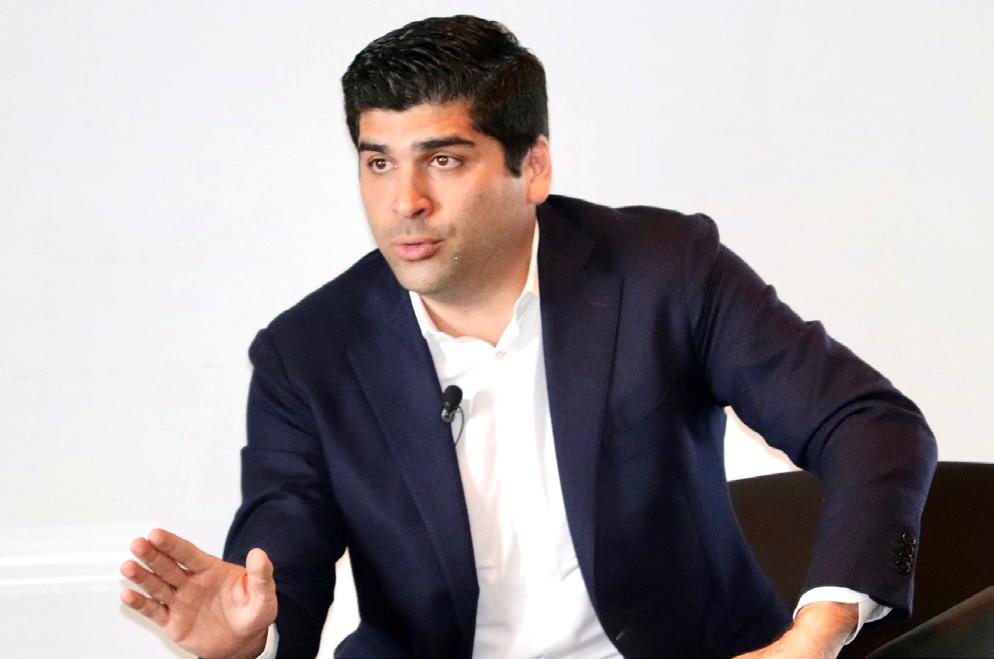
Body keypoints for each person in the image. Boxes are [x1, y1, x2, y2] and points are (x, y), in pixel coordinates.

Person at [120, 15, 937, 658]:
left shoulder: (665, 270)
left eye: (443, 160)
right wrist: (248, 638)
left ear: (533, 167)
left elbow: (869, 424)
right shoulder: (307, 354)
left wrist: (814, 633)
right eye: (378, 163)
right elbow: (278, 572)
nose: (404, 201)